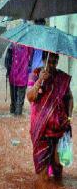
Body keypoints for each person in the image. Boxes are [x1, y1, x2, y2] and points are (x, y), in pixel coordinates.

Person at [27, 52, 73, 180]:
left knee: (58, 168)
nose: (52, 65)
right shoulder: (35, 75)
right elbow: (29, 97)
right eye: (50, 61)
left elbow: (69, 98)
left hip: (59, 129)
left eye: (55, 62)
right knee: (43, 175)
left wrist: (69, 117)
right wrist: (40, 81)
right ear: (43, 60)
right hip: (41, 130)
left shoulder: (62, 78)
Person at [5, 43, 34, 116]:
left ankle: (11, 118)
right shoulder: (29, 45)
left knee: (13, 101)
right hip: (23, 77)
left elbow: (7, 60)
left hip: (13, 76)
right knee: (19, 102)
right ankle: (17, 118)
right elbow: (31, 61)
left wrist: (8, 71)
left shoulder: (12, 44)